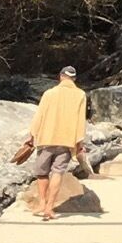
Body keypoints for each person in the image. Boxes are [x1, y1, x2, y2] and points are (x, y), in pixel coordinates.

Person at [25, 65, 88, 221]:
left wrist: (31, 136)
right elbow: (81, 121)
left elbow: (39, 116)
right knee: (58, 172)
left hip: (46, 139)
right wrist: (79, 143)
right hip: (66, 141)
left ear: (60, 77)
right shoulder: (80, 95)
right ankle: (50, 207)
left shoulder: (49, 94)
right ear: (74, 79)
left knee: (42, 172)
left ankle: (42, 203)